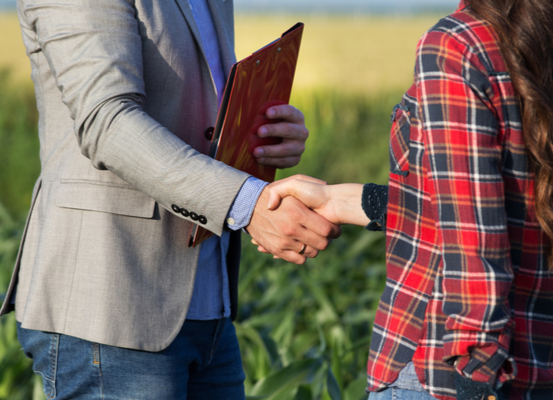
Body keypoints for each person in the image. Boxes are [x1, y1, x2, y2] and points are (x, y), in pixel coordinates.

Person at [0, 0, 341, 399]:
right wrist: (246, 203)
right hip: (112, 306)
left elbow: (195, 111)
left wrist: (262, 138)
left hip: (207, 303)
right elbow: (107, 123)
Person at [261, 0, 553, 399]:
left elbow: (474, 241)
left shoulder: (459, 45)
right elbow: (496, 202)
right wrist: (347, 201)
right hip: (552, 367)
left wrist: (476, 375)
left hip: (446, 375)